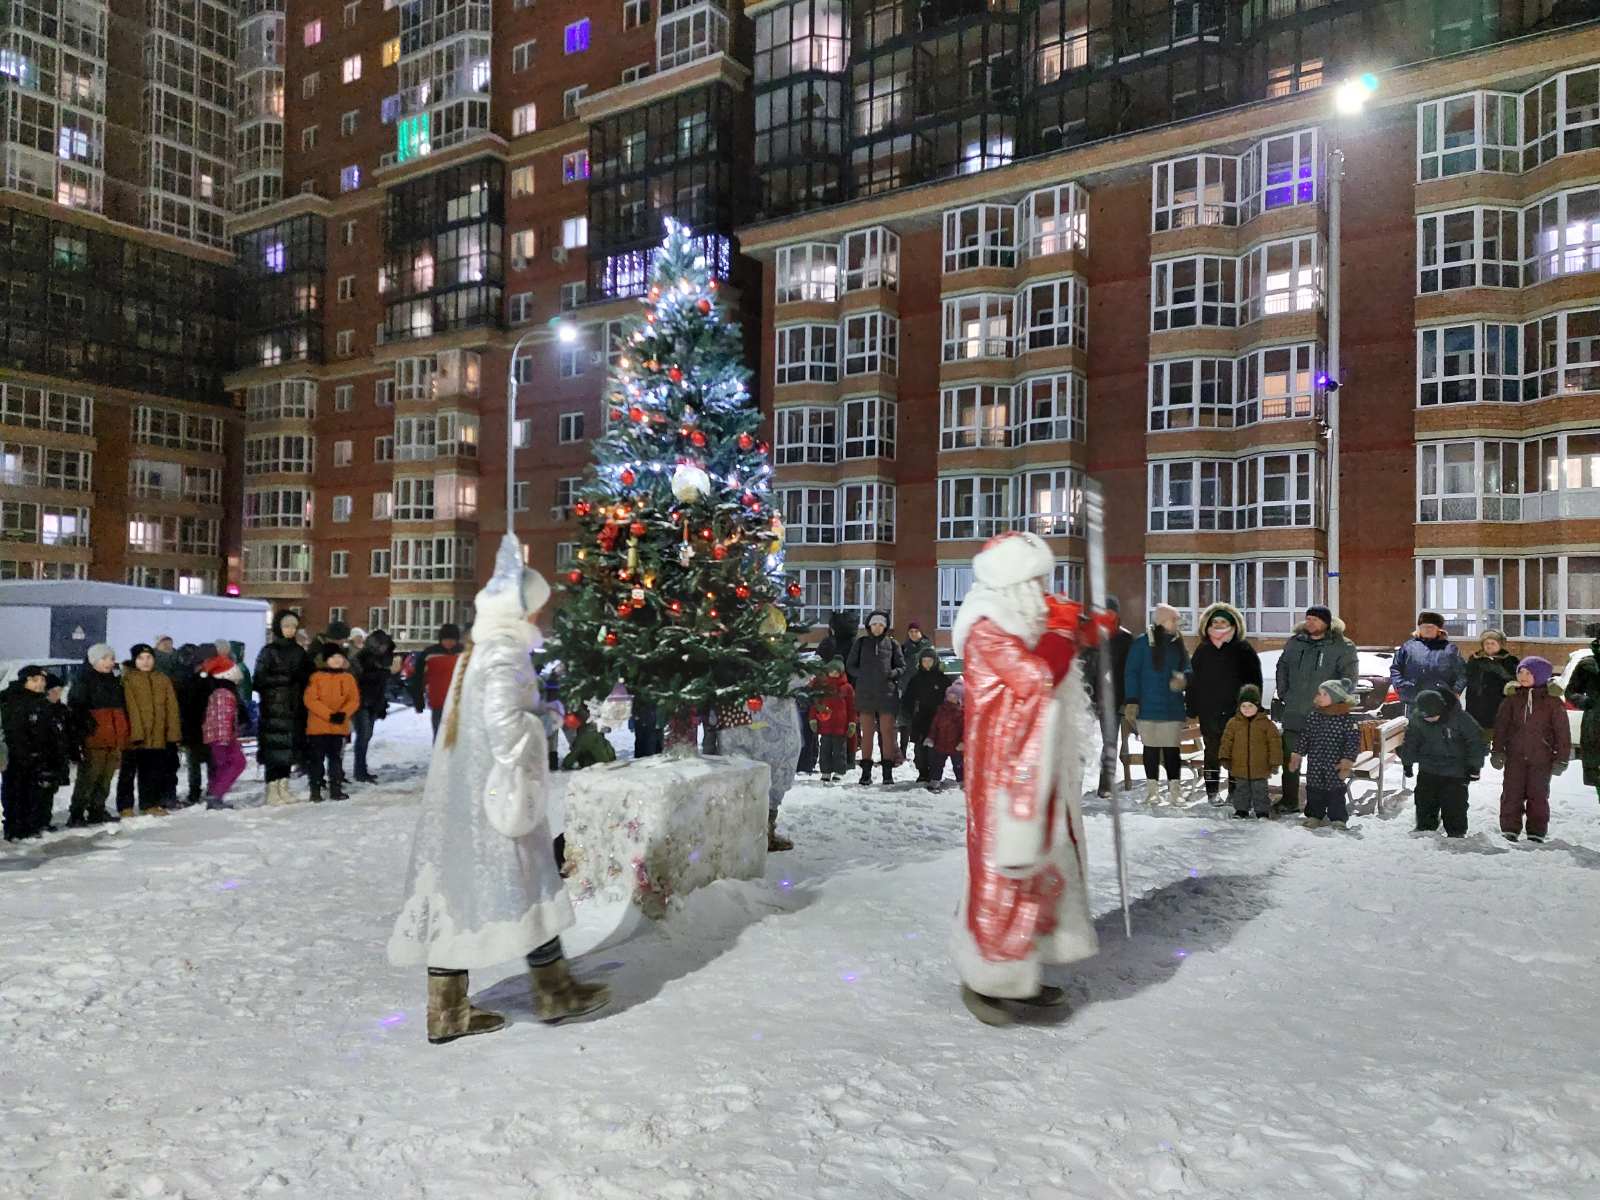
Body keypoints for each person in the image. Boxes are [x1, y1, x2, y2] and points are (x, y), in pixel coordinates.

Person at [389, 534, 610, 1042]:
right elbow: (504, 724)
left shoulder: (478, 650)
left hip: (464, 797)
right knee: (528, 880)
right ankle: (554, 991)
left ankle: (448, 1011)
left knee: (458, 891)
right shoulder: (504, 653)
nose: (538, 619)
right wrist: (547, 721)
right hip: (496, 795)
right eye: (535, 609)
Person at [950, 531, 1096, 1025]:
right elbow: (1033, 677)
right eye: (1035, 579)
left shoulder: (1014, 618)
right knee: (1002, 868)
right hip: (1002, 772)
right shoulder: (986, 625)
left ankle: (1022, 971)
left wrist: (1080, 632)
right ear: (1014, 580)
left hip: (1032, 764)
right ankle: (987, 977)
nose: (1042, 588)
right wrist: (1059, 634)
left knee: (1037, 865)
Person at [1274, 605, 1360, 815]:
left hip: (1326, 715)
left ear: (1327, 622)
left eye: (1315, 619)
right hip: (1295, 710)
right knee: (1290, 758)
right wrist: (1285, 694)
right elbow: (1282, 667)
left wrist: (1334, 702)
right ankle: (1289, 799)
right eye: (1308, 619)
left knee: (1326, 762)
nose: (1310, 623)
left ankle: (1328, 806)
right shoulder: (1295, 643)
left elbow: (1349, 679)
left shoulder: (1342, 646)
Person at [1185, 602, 1263, 807]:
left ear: (1233, 624)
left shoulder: (1243, 649)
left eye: (1224, 621)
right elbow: (1193, 681)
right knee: (1212, 752)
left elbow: (1254, 681)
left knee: (1236, 753)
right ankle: (1212, 792)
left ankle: (1235, 793)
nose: (1219, 625)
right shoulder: (1203, 650)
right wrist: (1191, 706)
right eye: (1215, 621)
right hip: (1209, 710)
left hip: (1236, 711)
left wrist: (1252, 705)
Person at [1492, 656, 1571, 843]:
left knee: (1538, 795)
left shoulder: (1552, 702)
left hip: (1541, 758)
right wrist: (1497, 750)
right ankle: (1510, 828)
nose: (1523, 676)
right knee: (1512, 793)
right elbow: (1501, 727)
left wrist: (1562, 757)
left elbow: (1562, 732)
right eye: (1521, 672)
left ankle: (1536, 831)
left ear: (1541, 675)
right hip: (1515, 756)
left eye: (1529, 673)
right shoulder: (1512, 699)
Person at [1123, 603, 1190, 806]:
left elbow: (1187, 667)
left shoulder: (1178, 643)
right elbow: (1131, 672)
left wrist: (1184, 678)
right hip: (1147, 707)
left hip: (1172, 707)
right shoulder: (1142, 644)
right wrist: (1132, 701)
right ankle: (1152, 792)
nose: (1177, 624)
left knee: (1172, 750)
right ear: (1162, 622)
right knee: (1150, 749)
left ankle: (1174, 792)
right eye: (1174, 620)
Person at [716, 694, 803, 852]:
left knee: (775, 764)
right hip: (744, 702)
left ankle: (761, 831)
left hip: (750, 703)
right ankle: (751, 832)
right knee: (747, 763)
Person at [1390, 613, 1468, 778]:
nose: (1427, 630)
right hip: (1414, 699)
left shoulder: (1450, 649)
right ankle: (1409, 763)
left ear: (1439, 629)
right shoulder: (1408, 647)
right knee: (1413, 736)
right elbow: (1396, 668)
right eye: (1424, 626)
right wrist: (1402, 686)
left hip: (1440, 701)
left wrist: (1454, 692)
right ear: (1418, 628)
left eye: (1431, 627)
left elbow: (1462, 673)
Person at [1401, 688, 1486, 838]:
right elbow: (1411, 741)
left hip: (1456, 770)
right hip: (1428, 767)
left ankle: (1456, 831)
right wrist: (1407, 762)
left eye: (1434, 716)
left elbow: (1476, 741)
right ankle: (1425, 826)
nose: (1430, 720)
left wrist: (1474, 766)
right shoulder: (1417, 720)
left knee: (1454, 803)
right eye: (1427, 717)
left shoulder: (1460, 718)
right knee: (1424, 799)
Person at [2, 666, 68, 839]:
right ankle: (15, 828)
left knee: (33, 793)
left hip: (37, 756)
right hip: (17, 756)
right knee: (16, 792)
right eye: (35, 680)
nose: (40, 684)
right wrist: (26, 752)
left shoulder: (39, 701)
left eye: (42, 680)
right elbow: (15, 731)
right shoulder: (13, 699)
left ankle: (30, 826)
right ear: (25, 681)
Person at [254, 610, 312, 806]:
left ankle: (284, 787)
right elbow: (259, 679)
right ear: (279, 627)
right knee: (274, 750)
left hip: (295, 708)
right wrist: (285, 679)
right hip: (274, 708)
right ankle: (272, 789)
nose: (290, 630)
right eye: (287, 626)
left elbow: (308, 677)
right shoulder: (268, 651)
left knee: (290, 749)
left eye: (293, 627)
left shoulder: (299, 651)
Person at [67, 644, 128, 826]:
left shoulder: (114, 681)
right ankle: (77, 813)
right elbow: (76, 709)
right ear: (94, 660)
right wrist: (85, 728)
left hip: (113, 736)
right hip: (94, 738)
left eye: (111, 658)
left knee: (106, 777)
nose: (109, 662)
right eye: (104, 658)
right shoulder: (83, 680)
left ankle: (97, 809)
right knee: (88, 777)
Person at [1289, 678, 1361, 830]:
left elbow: (1352, 742)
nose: (1320, 697)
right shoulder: (1314, 716)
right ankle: (1314, 815)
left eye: (1325, 694)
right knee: (1314, 788)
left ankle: (1338, 818)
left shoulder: (1346, 719)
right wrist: (1297, 753)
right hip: (1315, 761)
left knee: (1335, 791)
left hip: (1335, 763)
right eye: (1319, 693)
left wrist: (1347, 761)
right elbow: (1305, 736)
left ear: (1335, 697)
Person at [1082, 595, 1134, 797]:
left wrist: (1128, 699)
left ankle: (1106, 785)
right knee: (1078, 742)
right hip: (1087, 697)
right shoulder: (1086, 637)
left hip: (1113, 699)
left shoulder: (1125, 639)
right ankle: (1073, 782)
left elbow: (1128, 672)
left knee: (1110, 742)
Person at [121, 644, 181, 817]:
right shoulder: (128, 679)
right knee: (128, 773)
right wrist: (135, 733)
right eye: (141, 658)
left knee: (152, 772)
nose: (146, 662)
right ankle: (125, 806)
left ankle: (150, 804)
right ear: (134, 660)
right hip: (133, 736)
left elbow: (172, 708)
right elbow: (128, 708)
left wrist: (173, 733)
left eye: (149, 658)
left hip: (156, 736)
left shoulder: (162, 679)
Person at [846, 610, 905, 785]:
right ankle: (866, 773)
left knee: (887, 734)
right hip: (866, 694)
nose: (877, 628)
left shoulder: (893, 644)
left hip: (887, 694)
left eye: (881, 625)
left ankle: (888, 773)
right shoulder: (861, 643)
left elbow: (902, 666)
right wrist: (862, 675)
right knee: (867, 734)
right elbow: (850, 665)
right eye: (874, 624)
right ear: (869, 626)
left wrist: (892, 673)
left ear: (885, 627)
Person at [304, 644, 360, 803]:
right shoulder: (316, 677)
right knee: (316, 760)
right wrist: (329, 715)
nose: (336, 660)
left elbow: (354, 700)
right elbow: (310, 700)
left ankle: (336, 789)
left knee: (336, 760)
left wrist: (343, 713)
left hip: (339, 727)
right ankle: (315, 790)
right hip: (318, 727)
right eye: (333, 657)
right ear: (326, 660)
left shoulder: (348, 678)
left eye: (339, 657)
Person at [1218, 684, 1281, 819]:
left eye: (1250, 706)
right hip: (1239, 765)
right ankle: (1241, 810)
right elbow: (1226, 741)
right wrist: (1225, 757)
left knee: (1260, 790)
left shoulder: (1266, 724)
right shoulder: (1233, 723)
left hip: (1260, 766)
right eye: (1243, 706)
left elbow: (1274, 743)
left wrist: (1274, 762)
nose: (1247, 709)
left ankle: (1262, 811)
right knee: (1241, 789)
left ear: (1257, 706)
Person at [200, 655, 247, 809]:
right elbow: (222, 718)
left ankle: (215, 794)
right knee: (235, 763)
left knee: (226, 765)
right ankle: (215, 795)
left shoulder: (221, 692)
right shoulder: (223, 693)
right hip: (222, 737)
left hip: (223, 736)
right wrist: (224, 738)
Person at [352, 629, 397, 783]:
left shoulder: (382, 658)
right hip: (361, 702)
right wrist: (384, 673)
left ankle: (361, 769)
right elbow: (361, 678)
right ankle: (359, 771)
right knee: (363, 736)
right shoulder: (362, 657)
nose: (384, 648)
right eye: (382, 646)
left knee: (366, 735)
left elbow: (381, 684)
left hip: (373, 701)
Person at [901, 647, 951, 782]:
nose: (927, 663)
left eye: (930, 660)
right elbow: (907, 699)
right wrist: (908, 714)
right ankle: (922, 772)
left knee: (935, 749)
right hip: (920, 718)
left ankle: (935, 772)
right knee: (920, 748)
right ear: (920, 662)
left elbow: (950, 699)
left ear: (935, 661)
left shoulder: (943, 679)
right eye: (925, 660)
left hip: (938, 719)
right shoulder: (916, 679)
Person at [1565, 623, 1600, 807]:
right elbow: (1570, 691)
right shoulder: (1587, 664)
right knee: (1596, 769)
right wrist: (1584, 702)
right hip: (1595, 722)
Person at [410, 622, 463, 738]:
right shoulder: (429, 654)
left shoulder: (464, 653)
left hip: (460, 703)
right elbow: (418, 679)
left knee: (460, 740)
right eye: (446, 639)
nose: (449, 642)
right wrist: (418, 701)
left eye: (452, 640)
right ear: (440, 639)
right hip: (439, 702)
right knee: (440, 737)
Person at [1463, 630, 1519, 738]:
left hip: (1498, 704)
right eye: (1486, 643)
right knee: (1477, 736)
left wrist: (1498, 669)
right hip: (1476, 704)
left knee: (1498, 735)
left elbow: (1515, 679)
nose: (1489, 646)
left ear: (1500, 645)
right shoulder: (1474, 659)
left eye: (1493, 643)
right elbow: (1466, 676)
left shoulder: (1510, 660)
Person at [174, 643, 210, 807]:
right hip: (197, 724)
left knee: (196, 762)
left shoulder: (182, 679)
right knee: (201, 760)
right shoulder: (203, 679)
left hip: (194, 724)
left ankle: (196, 792)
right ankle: (204, 790)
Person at [809, 658, 857, 783]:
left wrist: (852, 723)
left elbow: (852, 707)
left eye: (837, 672)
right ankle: (825, 771)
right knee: (824, 750)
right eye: (831, 671)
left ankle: (839, 771)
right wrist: (813, 719)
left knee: (839, 751)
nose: (834, 674)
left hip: (841, 727)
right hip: (825, 725)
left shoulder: (847, 688)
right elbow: (815, 704)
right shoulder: (822, 686)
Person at [897, 621, 933, 762]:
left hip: (922, 691)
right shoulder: (904, 647)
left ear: (920, 632)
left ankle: (921, 752)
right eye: (910, 631)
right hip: (906, 689)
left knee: (921, 722)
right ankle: (902, 751)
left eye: (915, 631)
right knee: (904, 721)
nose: (913, 634)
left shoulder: (927, 647)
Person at [927, 678, 965, 792]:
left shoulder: (961, 713)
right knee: (937, 764)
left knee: (958, 766)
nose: (951, 698)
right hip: (941, 744)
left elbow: (965, 730)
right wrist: (931, 738)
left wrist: (963, 742)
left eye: (955, 696)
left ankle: (963, 782)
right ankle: (935, 781)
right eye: (950, 696)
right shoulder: (941, 711)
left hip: (956, 746)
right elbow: (934, 726)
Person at [560, 705, 616, 770]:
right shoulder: (585, 711)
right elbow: (607, 729)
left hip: (587, 737)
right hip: (593, 738)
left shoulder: (581, 739)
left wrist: (565, 765)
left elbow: (574, 753)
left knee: (579, 750)